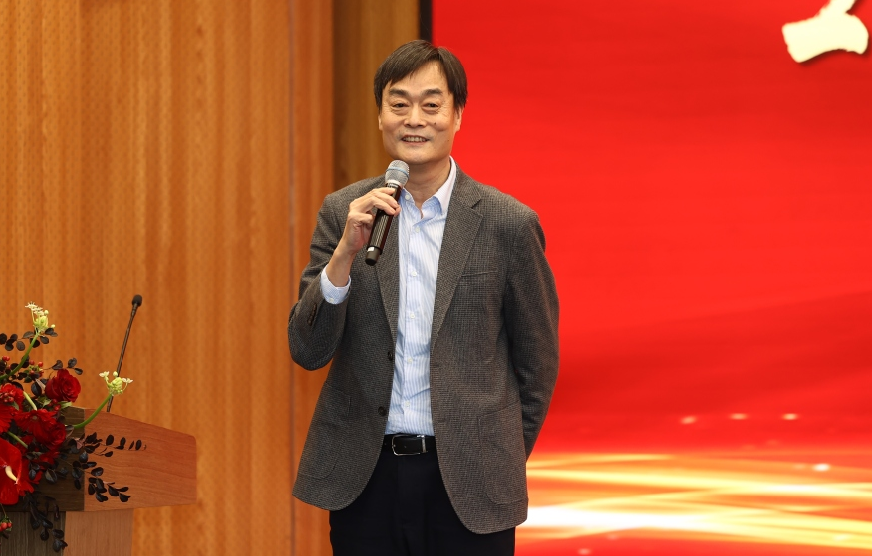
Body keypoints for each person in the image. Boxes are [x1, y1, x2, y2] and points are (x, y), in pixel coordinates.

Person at [288, 40, 559, 556]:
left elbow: (537, 364)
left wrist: (495, 454)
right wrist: (343, 255)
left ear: (457, 116)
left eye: (431, 105)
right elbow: (308, 349)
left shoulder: (508, 224)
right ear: (380, 115)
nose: (414, 119)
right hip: (365, 478)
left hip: (471, 482)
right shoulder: (345, 212)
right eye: (399, 104)